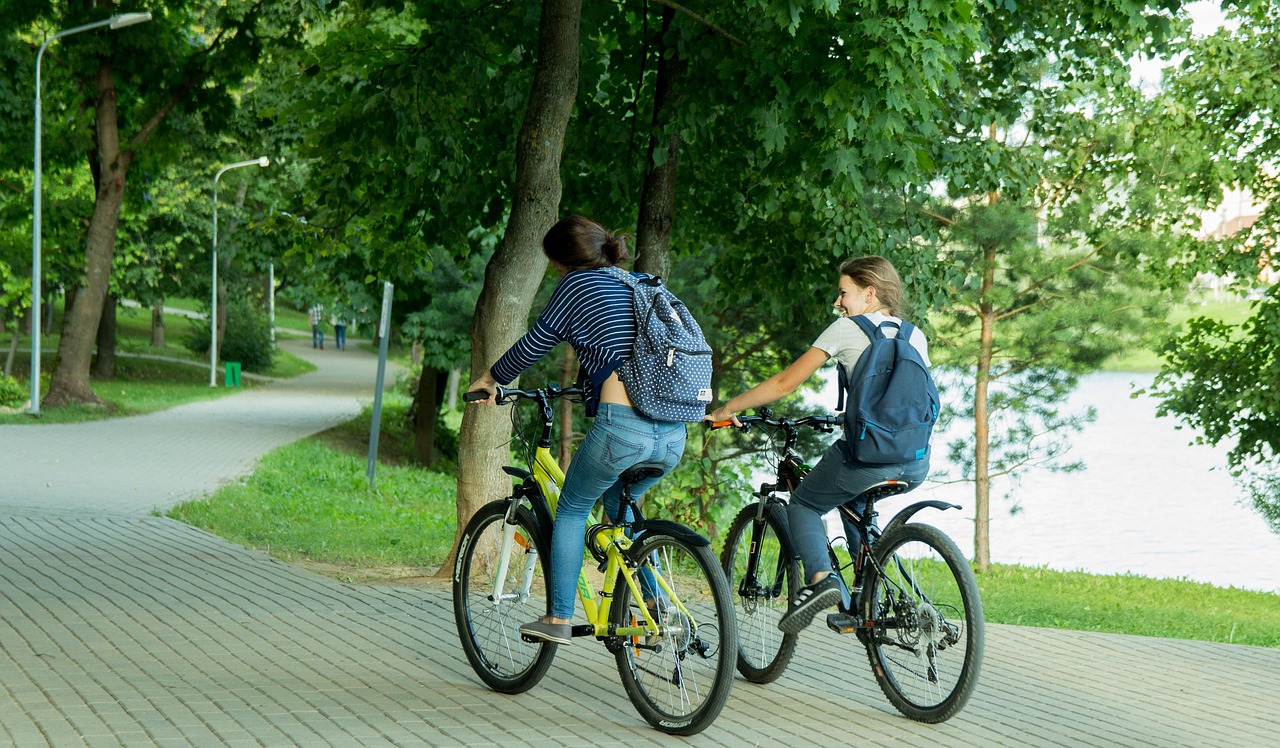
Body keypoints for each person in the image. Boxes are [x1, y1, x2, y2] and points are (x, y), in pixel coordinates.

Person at [466, 215, 687, 645]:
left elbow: (536, 342)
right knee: (620, 511)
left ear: (564, 259)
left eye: (554, 263)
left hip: (623, 431)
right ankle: (653, 604)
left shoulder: (578, 285)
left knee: (570, 510)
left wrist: (491, 379)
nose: (554, 271)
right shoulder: (635, 282)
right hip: (673, 433)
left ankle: (559, 619)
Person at [706, 256, 932, 635]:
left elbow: (783, 384)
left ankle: (822, 580)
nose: (839, 302)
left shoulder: (845, 330)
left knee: (806, 503)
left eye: (844, 293)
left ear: (869, 293)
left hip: (867, 459)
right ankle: (864, 604)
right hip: (915, 461)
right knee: (854, 503)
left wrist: (727, 408)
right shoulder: (916, 335)